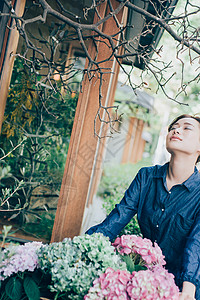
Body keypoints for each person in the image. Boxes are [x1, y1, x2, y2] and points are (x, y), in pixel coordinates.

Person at [86, 114, 200, 300]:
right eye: (173, 126)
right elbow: (118, 217)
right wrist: (84, 246)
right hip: (144, 279)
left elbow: (196, 244)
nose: (176, 130)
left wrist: (188, 289)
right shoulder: (146, 177)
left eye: (187, 128)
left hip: (182, 285)